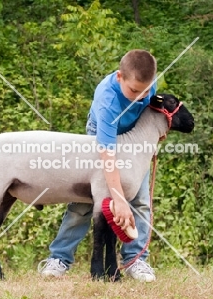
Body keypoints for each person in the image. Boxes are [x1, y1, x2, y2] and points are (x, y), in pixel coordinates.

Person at [38, 49, 157, 282]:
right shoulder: (108, 101)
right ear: (120, 77)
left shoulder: (146, 82)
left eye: (145, 91)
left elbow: (150, 112)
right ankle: (60, 257)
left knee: (140, 201)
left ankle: (135, 260)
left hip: (134, 140)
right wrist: (118, 198)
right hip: (102, 137)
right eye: (134, 91)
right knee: (84, 203)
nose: (140, 97)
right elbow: (108, 155)